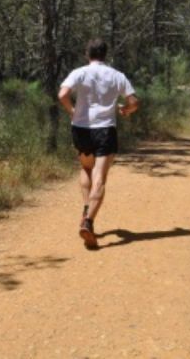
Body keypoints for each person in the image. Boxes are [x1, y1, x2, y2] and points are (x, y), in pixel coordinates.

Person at [58, 38, 139, 249]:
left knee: (86, 168)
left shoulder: (79, 72)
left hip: (81, 128)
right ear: (106, 55)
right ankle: (89, 221)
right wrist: (125, 110)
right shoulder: (117, 75)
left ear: (87, 54)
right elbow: (134, 102)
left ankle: (86, 209)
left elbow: (63, 94)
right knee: (100, 178)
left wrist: (72, 111)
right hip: (105, 130)